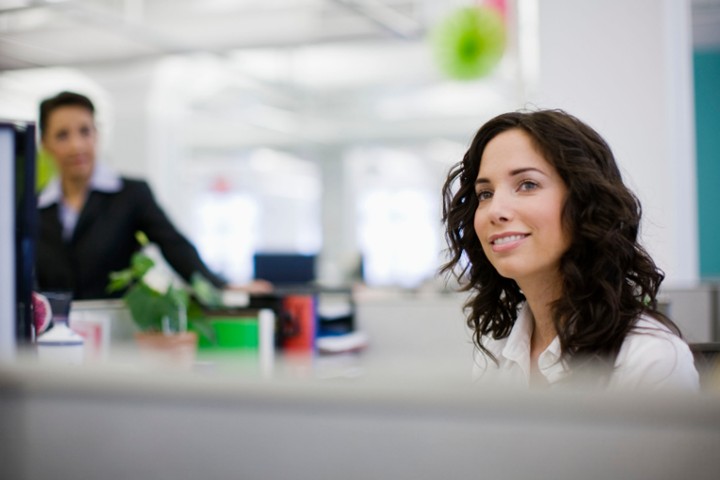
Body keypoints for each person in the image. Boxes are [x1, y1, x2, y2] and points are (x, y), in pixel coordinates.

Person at [441, 109, 699, 390]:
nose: (496, 210)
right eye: (485, 194)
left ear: (585, 203)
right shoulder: (497, 349)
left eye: (527, 185)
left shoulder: (649, 358)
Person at [36, 91, 270, 300]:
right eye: (62, 135)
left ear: (97, 135)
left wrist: (221, 287)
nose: (77, 145)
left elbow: (174, 245)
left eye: (85, 131)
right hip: (49, 337)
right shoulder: (32, 207)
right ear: (45, 143)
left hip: (115, 333)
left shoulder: (130, 196)